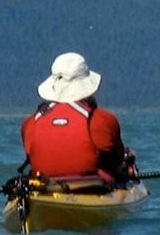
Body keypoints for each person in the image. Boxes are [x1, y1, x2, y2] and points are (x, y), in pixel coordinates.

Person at [19, 52, 127, 183]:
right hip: (92, 188)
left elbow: (31, 155)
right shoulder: (104, 120)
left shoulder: (30, 124)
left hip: (44, 187)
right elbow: (117, 161)